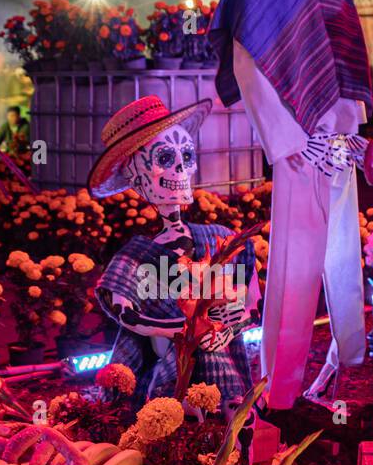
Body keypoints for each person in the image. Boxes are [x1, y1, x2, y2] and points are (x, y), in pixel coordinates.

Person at [193, 0, 373, 411]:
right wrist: (289, 142)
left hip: (335, 137)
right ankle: (282, 388)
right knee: (298, 257)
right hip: (299, 143)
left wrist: (348, 125)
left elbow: (347, 52)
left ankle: (350, 359)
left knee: (345, 246)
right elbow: (251, 71)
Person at [91, 96, 260, 404]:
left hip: (217, 357)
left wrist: (225, 329)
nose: (181, 168)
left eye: (187, 155)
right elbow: (124, 312)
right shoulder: (136, 256)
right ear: (135, 177)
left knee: (221, 389)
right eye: (165, 159)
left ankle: (230, 422)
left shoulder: (219, 239)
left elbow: (249, 306)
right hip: (166, 362)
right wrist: (181, 330)